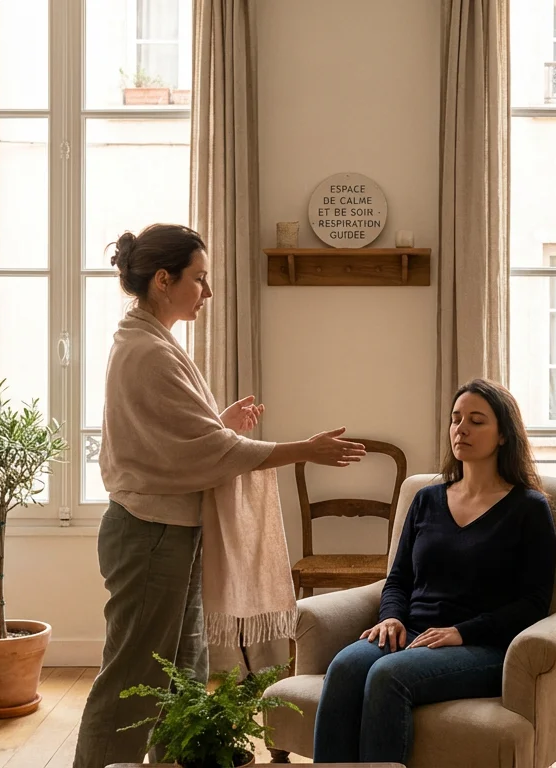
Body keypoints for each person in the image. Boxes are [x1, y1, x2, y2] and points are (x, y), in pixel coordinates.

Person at [73, 223, 366, 768]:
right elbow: (202, 450)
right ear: (164, 280)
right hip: (150, 533)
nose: (207, 292)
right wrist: (304, 449)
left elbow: (180, 439)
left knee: (184, 668)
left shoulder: (150, 341)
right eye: (199, 279)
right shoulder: (148, 351)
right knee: (133, 675)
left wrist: (219, 424)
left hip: (166, 530)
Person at [312, 379, 556, 764]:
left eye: (477, 421)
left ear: (504, 436)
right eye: (456, 419)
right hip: (413, 631)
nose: (461, 429)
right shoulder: (427, 499)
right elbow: (398, 579)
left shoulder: (528, 508)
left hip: (483, 646)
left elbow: (534, 602)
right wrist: (391, 616)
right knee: (344, 666)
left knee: (388, 675)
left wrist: (462, 632)